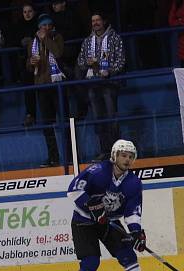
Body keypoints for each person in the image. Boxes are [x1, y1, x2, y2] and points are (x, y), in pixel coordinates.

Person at [66, 139, 155, 271]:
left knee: (128, 256)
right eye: (123, 155)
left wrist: (136, 232)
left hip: (110, 222)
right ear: (114, 155)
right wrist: (91, 205)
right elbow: (73, 190)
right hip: (84, 221)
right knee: (91, 262)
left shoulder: (133, 183)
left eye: (131, 156)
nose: (127, 159)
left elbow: (132, 210)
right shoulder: (98, 171)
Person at [76, 12, 125, 160]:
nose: (95, 23)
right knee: (98, 119)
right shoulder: (87, 41)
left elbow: (121, 61)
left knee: (111, 118)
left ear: (104, 21)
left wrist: (108, 71)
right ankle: (104, 151)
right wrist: (88, 63)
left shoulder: (115, 38)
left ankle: (116, 152)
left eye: (98, 20)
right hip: (93, 84)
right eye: (93, 21)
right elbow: (80, 61)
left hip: (109, 84)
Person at [27, 13, 65, 167]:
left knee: (64, 122)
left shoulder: (57, 38)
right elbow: (29, 67)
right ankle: (53, 158)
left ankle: (70, 156)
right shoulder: (32, 42)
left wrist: (45, 39)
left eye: (49, 25)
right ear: (39, 26)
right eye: (44, 25)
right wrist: (30, 62)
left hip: (57, 85)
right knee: (47, 125)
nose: (47, 27)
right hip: (41, 86)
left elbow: (58, 53)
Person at [16, 3, 38, 126]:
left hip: (41, 60)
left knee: (43, 89)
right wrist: (21, 42)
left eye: (29, 11)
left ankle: (51, 116)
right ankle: (30, 115)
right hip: (26, 62)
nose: (27, 14)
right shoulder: (19, 26)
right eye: (25, 12)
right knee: (29, 89)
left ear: (34, 12)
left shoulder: (40, 24)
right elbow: (13, 41)